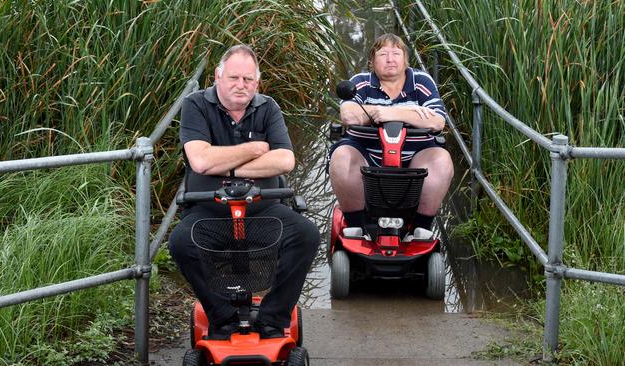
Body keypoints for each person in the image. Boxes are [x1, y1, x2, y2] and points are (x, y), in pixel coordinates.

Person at [168, 44, 320, 340]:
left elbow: (285, 160)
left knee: (306, 235)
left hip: (263, 209)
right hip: (208, 210)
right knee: (180, 244)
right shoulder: (196, 104)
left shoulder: (268, 107)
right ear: (218, 77)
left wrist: (226, 166)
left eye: (248, 80)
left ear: (257, 82)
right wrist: (254, 150)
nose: (241, 86)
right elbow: (200, 160)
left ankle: (273, 318)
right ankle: (221, 316)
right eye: (234, 78)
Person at [328, 33, 453, 237]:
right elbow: (349, 115)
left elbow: (437, 121)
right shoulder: (360, 82)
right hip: (367, 153)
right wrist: (413, 113)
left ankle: (420, 229)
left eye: (396, 53)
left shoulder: (421, 81)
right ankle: (357, 228)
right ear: (372, 61)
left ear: (405, 60)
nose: (390, 59)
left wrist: (391, 112)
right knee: (341, 158)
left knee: (442, 161)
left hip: (415, 155)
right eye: (383, 54)